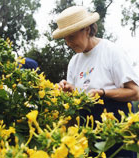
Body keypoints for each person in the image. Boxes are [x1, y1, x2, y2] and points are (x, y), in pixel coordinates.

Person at [52, 6, 139, 157]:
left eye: (71, 37)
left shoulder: (111, 51)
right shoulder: (74, 62)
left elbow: (135, 92)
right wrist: (69, 90)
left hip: (117, 133)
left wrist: (103, 93)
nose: (68, 43)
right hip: (88, 134)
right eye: (65, 39)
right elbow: (77, 98)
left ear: (86, 29)